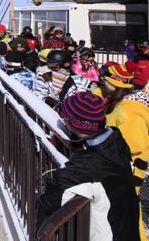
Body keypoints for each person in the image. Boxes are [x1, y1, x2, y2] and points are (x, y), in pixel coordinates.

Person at [37, 92, 140, 240]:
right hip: (128, 230)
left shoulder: (85, 168)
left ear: (72, 123)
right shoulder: (116, 144)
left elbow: (51, 200)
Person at [107, 62, 149, 241]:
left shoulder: (127, 111)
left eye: (103, 81)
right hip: (123, 170)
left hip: (128, 171)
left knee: (127, 213)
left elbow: (133, 146)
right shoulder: (122, 105)